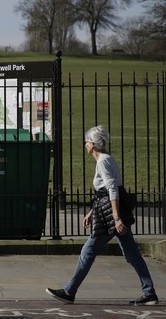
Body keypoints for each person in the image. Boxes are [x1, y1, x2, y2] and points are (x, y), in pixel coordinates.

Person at [46, 125, 158, 306]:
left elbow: (112, 189)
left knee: (87, 251)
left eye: (87, 141)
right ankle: (149, 291)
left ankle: (69, 291)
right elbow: (103, 192)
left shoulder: (103, 161)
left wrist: (116, 218)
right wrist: (91, 212)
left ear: (94, 144)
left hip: (109, 217)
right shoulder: (106, 159)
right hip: (106, 211)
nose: (85, 144)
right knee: (132, 253)